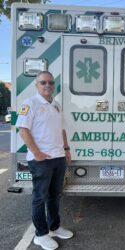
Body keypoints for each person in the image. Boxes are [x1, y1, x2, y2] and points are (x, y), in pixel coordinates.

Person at [16, 71, 73, 250]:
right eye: (43, 82)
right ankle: (40, 235)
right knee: (39, 198)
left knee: (54, 196)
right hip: (41, 160)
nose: (47, 85)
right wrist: (37, 153)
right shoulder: (30, 103)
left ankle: (54, 227)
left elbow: (62, 129)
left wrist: (66, 150)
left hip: (58, 157)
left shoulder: (55, 105)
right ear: (36, 85)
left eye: (50, 82)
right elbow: (23, 130)